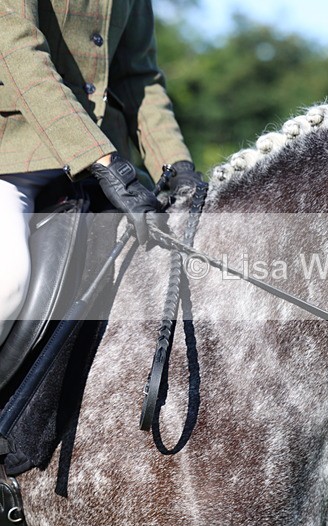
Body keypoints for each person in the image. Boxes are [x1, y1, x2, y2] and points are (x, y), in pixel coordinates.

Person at [0, 0, 203, 347]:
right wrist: (100, 158)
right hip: (14, 158)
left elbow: (138, 77)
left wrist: (179, 168)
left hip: (107, 168)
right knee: (9, 282)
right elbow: (17, 50)